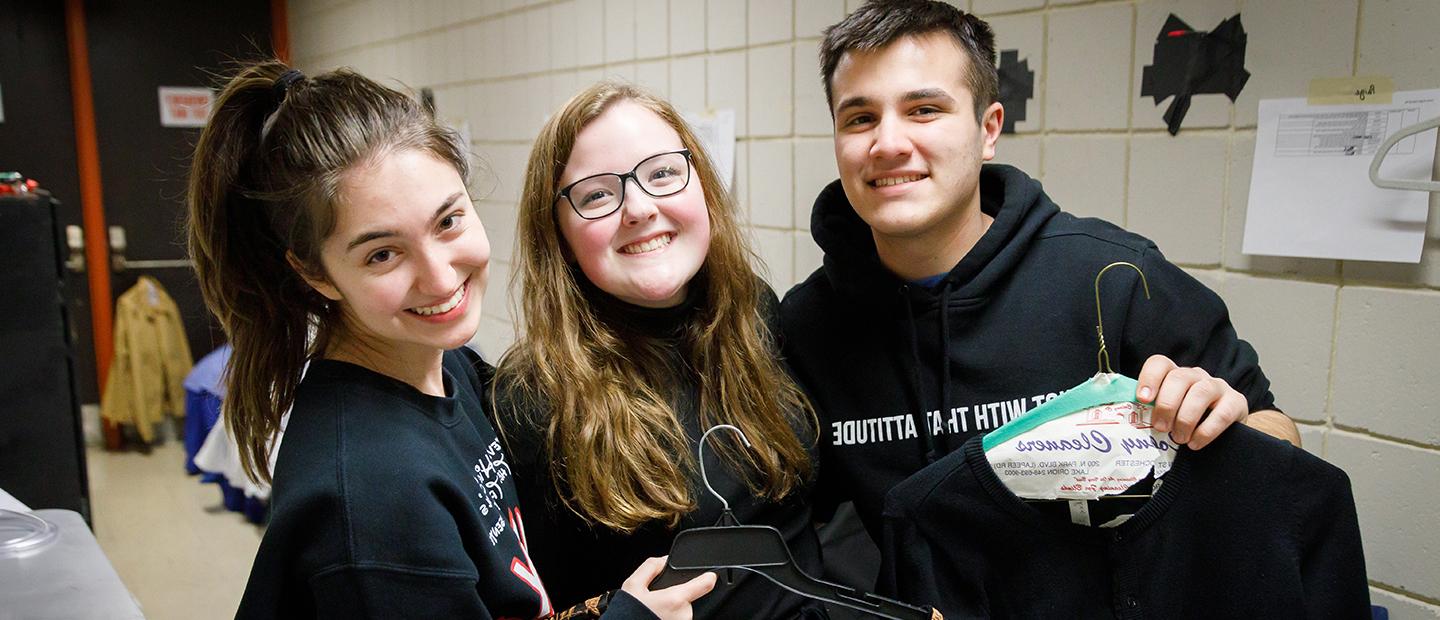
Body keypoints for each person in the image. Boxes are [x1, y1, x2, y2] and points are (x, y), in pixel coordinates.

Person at [780, 0, 1301, 569]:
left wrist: (1223, 419)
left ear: (988, 129)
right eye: (859, 118)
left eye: (924, 109)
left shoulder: (1113, 279)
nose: (887, 143)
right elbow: (796, 516)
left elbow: (1280, 436)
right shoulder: (808, 326)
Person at [186, 61, 714, 619]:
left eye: (448, 222)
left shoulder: (446, 365)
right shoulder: (372, 495)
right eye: (382, 254)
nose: (440, 279)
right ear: (315, 273)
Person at [493, 81, 827, 619]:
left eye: (663, 173)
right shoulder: (531, 401)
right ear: (560, 238)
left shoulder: (755, 314)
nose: (639, 208)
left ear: (703, 188)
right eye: (598, 194)